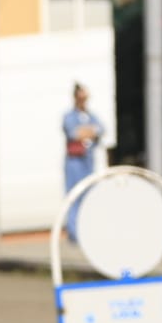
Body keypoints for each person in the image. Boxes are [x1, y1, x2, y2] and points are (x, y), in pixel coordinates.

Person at [62, 83, 106, 242]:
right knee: (74, 196)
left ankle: (88, 231)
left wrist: (86, 131)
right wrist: (89, 131)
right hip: (74, 161)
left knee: (89, 195)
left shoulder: (91, 116)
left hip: (88, 160)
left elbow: (101, 129)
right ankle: (74, 234)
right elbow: (74, 133)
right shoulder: (69, 116)